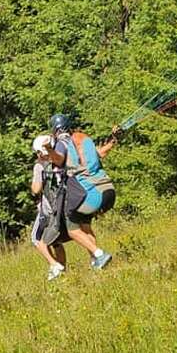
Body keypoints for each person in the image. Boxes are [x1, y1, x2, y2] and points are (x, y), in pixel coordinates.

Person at [42, 114, 119, 271]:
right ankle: (97, 262)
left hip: (90, 194)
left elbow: (58, 159)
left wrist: (49, 149)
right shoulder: (84, 141)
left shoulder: (62, 142)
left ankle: (99, 254)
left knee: (73, 228)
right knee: (84, 225)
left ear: (55, 130)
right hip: (108, 190)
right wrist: (114, 139)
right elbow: (102, 152)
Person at [30, 134, 69, 281]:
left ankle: (54, 265)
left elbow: (36, 189)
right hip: (61, 207)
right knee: (55, 241)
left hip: (46, 210)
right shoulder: (59, 162)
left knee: (36, 238)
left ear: (40, 152)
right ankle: (63, 270)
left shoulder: (40, 166)